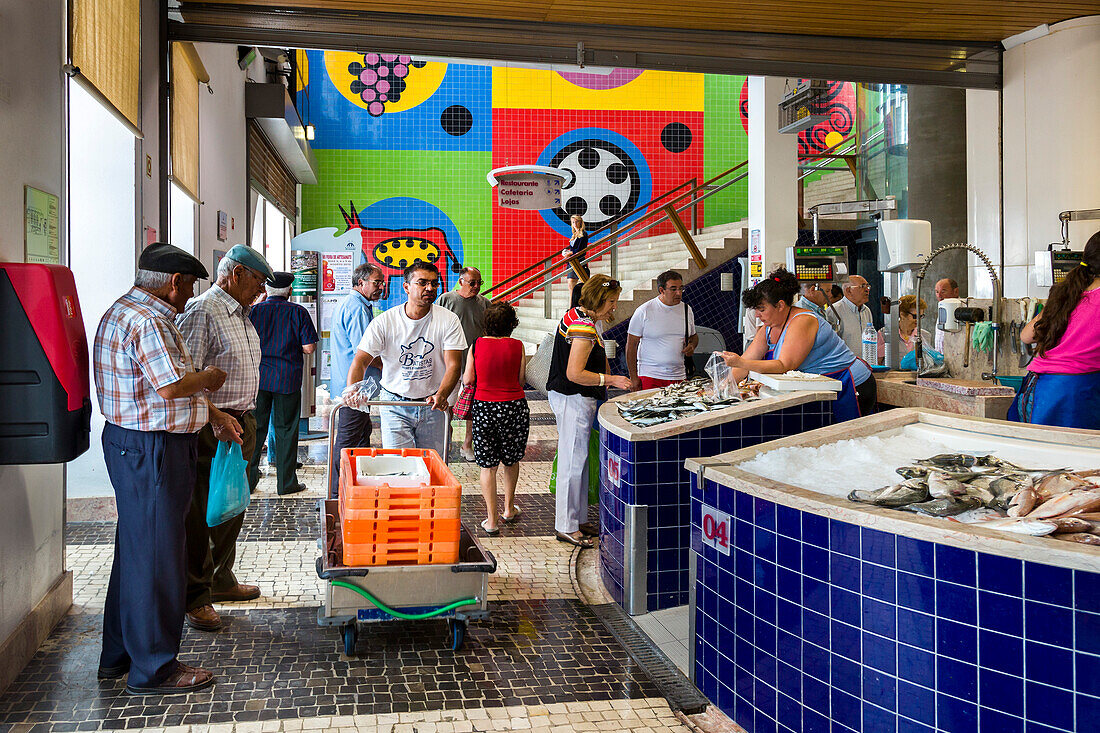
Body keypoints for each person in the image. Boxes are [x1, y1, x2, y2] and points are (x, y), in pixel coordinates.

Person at [93, 242, 241, 695]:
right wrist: (210, 378)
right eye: (191, 283)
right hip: (154, 451)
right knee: (158, 559)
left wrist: (212, 414)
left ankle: (118, 656)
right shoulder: (151, 320)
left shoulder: (123, 309)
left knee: (137, 554)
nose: (191, 292)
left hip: (134, 445)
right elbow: (173, 385)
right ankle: (155, 668)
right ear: (175, 283)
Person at [177, 244, 273, 632]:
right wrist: (215, 417)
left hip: (240, 423)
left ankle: (221, 577)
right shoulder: (203, 311)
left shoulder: (242, 314)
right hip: (212, 427)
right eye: (257, 282)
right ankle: (197, 596)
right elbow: (186, 376)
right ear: (235, 275)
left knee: (232, 505)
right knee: (203, 511)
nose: (261, 291)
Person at [719, 268, 874, 422]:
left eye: (761, 309)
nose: (757, 315)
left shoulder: (802, 320)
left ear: (780, 305)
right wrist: (721, 389)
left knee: (850, 439)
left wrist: (741, 362)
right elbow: (744, 364)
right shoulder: (768, 328)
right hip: (827, 384)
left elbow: (783, 365)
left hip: (852, 383)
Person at [345, 261, 466, 457]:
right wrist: (354, 390)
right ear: (406, 287)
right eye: (422, 283)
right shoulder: (385, 321)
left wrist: (442, 394)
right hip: (394, 405)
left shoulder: (448, 320)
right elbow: (360, 360)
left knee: (433, 466)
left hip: (432, 404)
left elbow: (454, 364)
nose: (430, 288)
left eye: (434, 283)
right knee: (398, 466)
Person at [547, 275, 632, 548]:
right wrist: (612, 380)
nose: (613, 309)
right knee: (573, 462)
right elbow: (575, 373)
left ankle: (578, 518)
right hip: (573, 398)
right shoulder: (582, 326)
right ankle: (566, 525)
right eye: (610, 302)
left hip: (573, 398)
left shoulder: (578, 316)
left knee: (580, 460)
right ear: (596, 300)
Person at [1013, 231, 1100, 429]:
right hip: (1077, 395)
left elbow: (1026, 336)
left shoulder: (1068, 293)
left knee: (1044, 456)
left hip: (1039, 390)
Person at [246, 272, 318, 496]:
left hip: (258, 379)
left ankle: (249, 481)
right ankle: (286, 483)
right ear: (289, 290)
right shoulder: (298, 312)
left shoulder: (254, 311)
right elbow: (309, 348)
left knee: (256, 430)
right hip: (287, 379)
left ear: (266, 290)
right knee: (286, 429)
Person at [462, 302, 528, 534]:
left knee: (487, 466)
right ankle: (509, 509)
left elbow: (468, 380)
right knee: (511, 460)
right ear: (511, 325)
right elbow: (521, 381)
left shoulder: (477, 345)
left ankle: (491, 521)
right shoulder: (518, 346)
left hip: (485, 408)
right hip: (514, 408)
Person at [328, 263, 386, 495]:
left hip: (358, 387)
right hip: (355, 389)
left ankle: (355, 488)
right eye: (376, 282)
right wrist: (392, 367)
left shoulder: (355, 304)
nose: (381, 287)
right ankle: (336, 493)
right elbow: (365, 353)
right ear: (360, 283)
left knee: (362, 435)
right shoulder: (357, 308)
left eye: (382, 282)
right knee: (348, 440)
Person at [438, 266, 490, 461]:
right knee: (446, 405)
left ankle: (468, 444)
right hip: (450, 363)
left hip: (474, 364)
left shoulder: (485, 303)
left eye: (479, 283)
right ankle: (446, 440)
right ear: (461, 282)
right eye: (472, 283)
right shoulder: (446, 300)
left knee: (472, 408)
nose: (476, 287)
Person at [626, 270, 698, 391]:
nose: (679, 293)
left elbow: (693, 336)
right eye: (673, 289)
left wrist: (692, 345)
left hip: (679, 376)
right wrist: (633, 378)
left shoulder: (686, 309)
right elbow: (631, 346)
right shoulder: (644, 311)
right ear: (661, 290)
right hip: (650, 375)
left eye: (681, 288)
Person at [876, 294, 931, 362]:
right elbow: (877, 363)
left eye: (921, 316)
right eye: (915, 316)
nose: (918, 320)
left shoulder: (924, 336)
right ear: (902, 315)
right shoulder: (884, 334)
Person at [831, 274, 875, 356]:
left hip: (865, 364)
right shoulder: (834, 310)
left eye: (868, 286)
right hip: (844, 365)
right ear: (848, 290)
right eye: (862, 286)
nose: (867, 290)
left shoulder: (867, 311)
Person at [562, 215, 590, 294]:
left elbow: (581, 250)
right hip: (571, 261)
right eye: (573, 222)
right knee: (570, 285)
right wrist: (567, 252)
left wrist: (570, 252)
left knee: (584, 285)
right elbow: (573, 248)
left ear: (580, 222)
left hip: (579, 261)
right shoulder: (574, 235)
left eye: (577, 221)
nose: (575, 224)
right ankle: (571, 306)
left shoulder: (583, 234)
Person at [934, 277, 961, 351]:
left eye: (943, 291)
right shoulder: (942, 307)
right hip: (940, 358)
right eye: (937, 292)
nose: (939, 296)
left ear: (956, 291)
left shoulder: (962, 309)